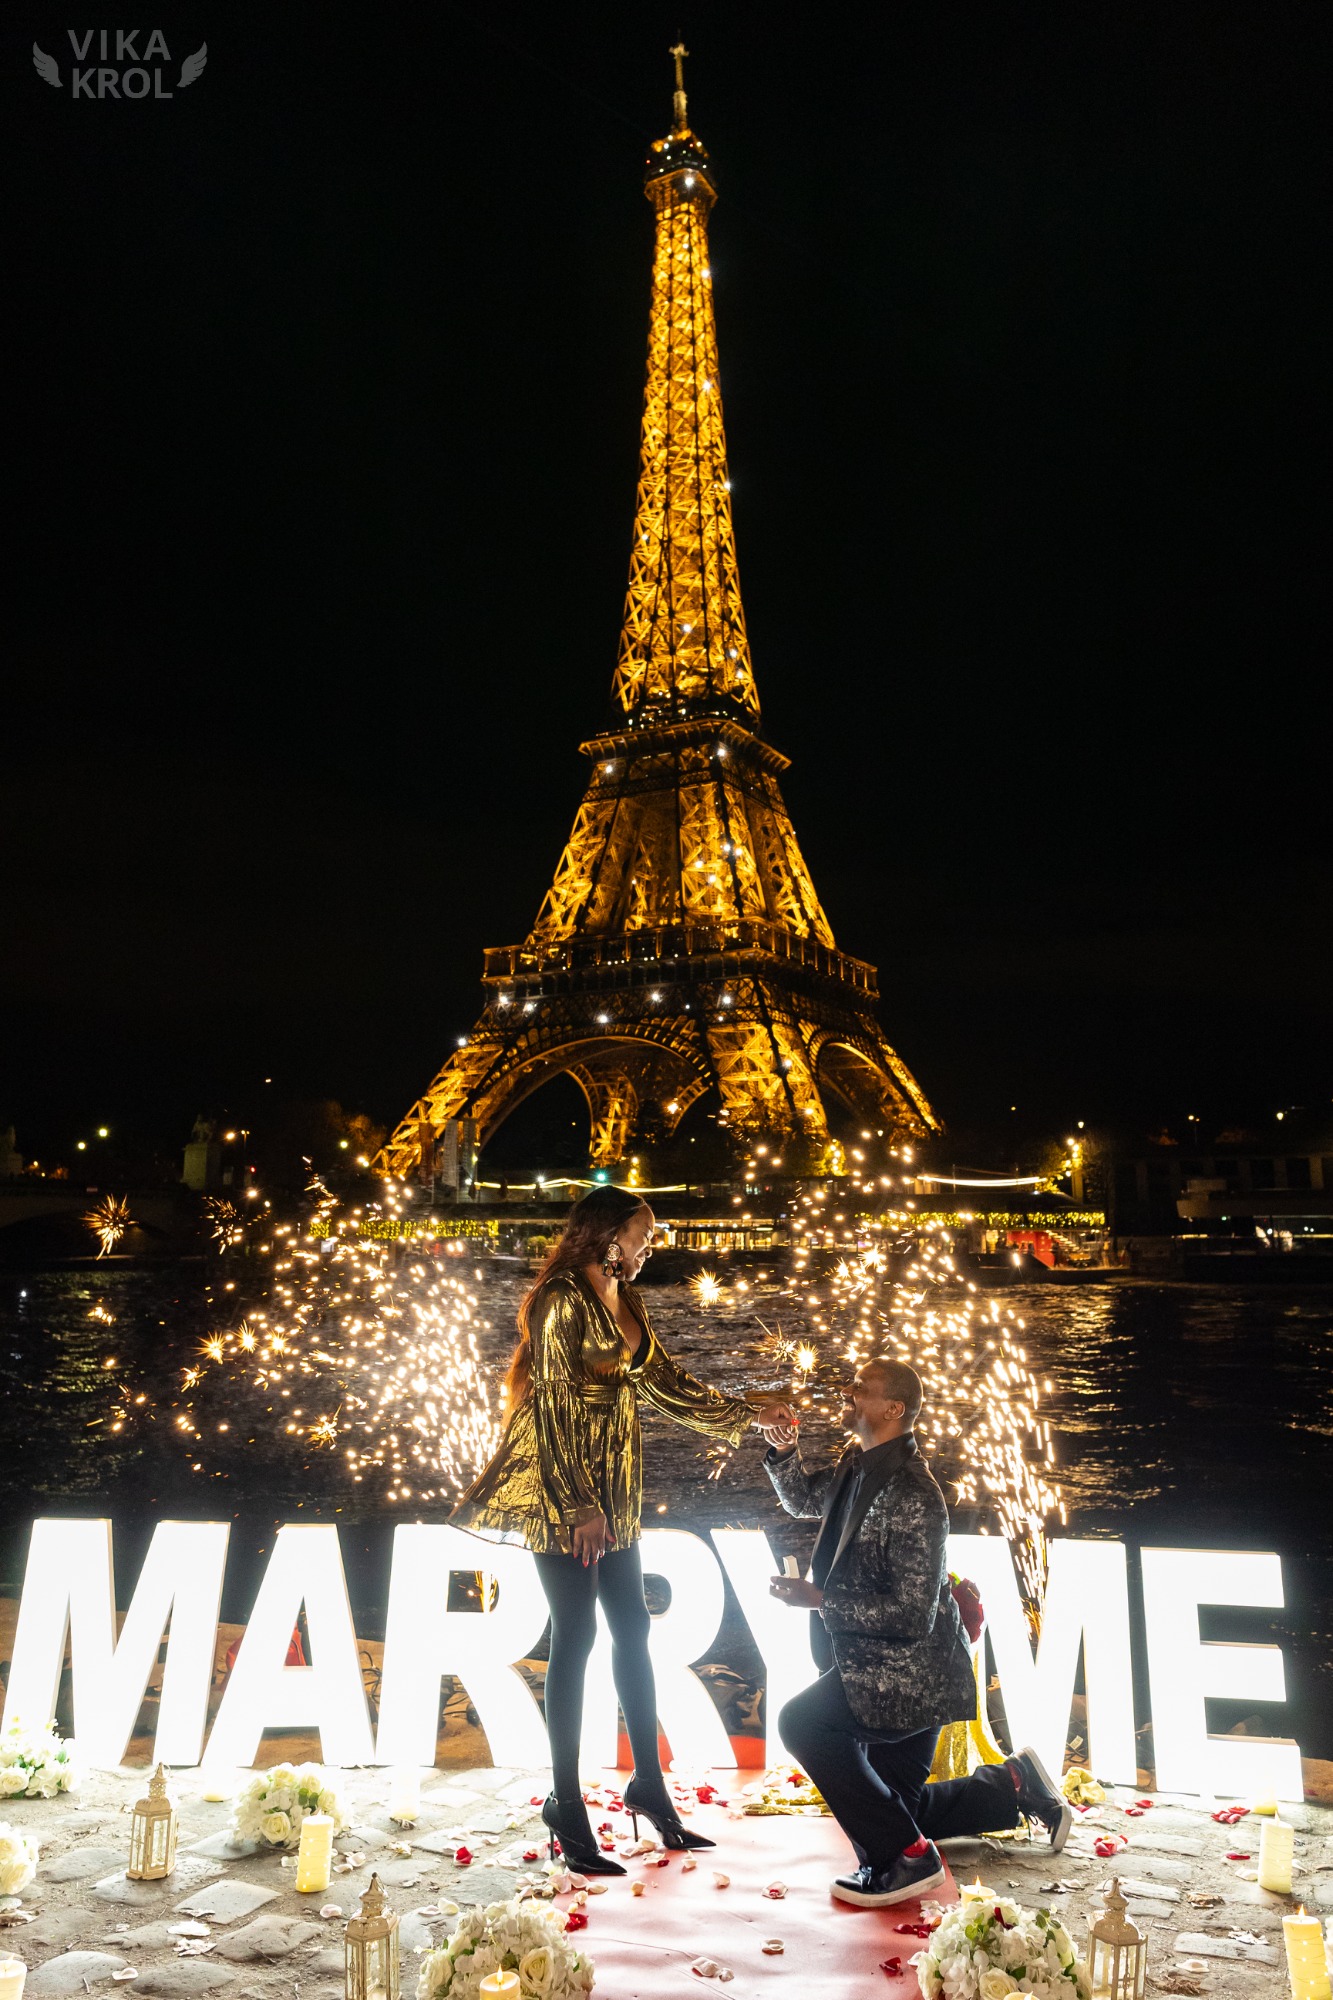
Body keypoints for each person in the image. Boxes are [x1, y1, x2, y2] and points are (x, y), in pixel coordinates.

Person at [453, 1185, 794, 1874]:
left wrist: (748, 1413)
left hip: (618, 1486)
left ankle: (650, 1789)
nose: (651, 1243)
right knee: (576, 1638)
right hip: (562, 1487)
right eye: (644, 1232)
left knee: (633, 1631)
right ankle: (565, 1806)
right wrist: (578, 1503)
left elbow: (666, 1386)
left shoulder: (627, 1300)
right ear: (609, 1235)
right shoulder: (558, 1300)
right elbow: (549, 1406)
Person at [765, 1357, 1070, 1907]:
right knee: (887, 1807)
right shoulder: (855, 1464)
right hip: (876, 1663)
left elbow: (912, 1614)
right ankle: (1012, 1786)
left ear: (892, 1408)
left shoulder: (914, 1493)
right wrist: (785, 1449)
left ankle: (911, 1860)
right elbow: (804, 1501)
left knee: (801, 1723)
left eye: (860, 1387)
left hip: (908, 1675)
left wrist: (822, 1599)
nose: (846, 1390)